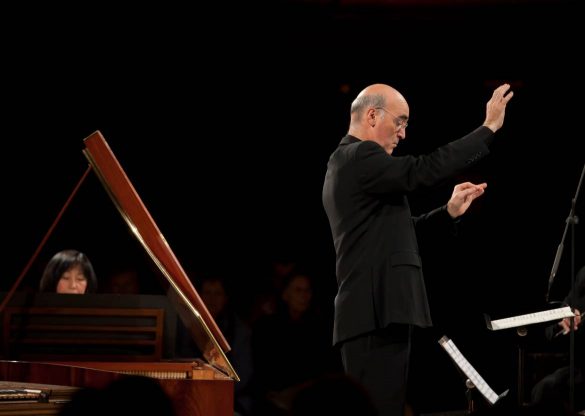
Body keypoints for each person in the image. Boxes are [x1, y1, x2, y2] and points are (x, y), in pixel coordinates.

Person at [321, 82, 513, 416]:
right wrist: (487, 129)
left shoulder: (353, 166)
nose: (403, 133)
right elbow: (422, 170)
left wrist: (448, 212)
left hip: (376, 314)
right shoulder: (358, 156)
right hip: (374, 313)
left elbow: (401, 236)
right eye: (400, 122)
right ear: (371, 115)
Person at [530, 265, 585, 414]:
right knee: (543, 389)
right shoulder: (583, 274)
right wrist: (563, 320)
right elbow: (562, 312)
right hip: (579, 366)